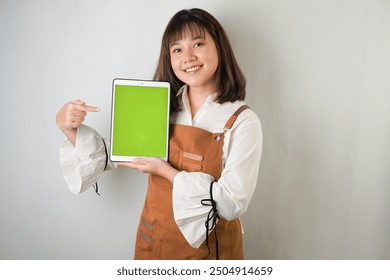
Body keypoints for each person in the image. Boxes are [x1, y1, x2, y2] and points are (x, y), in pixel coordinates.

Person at [56, 8, 262, 260]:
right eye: (177, 49)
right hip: (152, 245)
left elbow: (231, 203)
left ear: (219, 47)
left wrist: (166, 171)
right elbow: (115, 154)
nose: (187, 57)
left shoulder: (242, 120)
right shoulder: (161, 107)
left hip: (209, 254)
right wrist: (69, 128)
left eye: (197, 44)